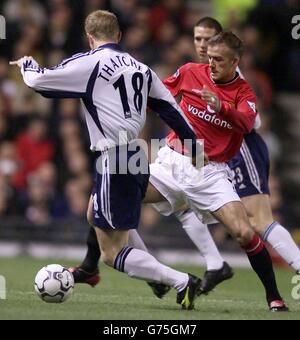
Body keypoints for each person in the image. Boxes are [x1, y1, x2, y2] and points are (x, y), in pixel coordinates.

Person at [70, 27, 288, 310]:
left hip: (209, 170)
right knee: (98, 205)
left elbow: (247, 124)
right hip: (171, 161)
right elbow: (156, 97)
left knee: (245, 233)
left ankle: (274, 296)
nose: (212, 64)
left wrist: (221, 106)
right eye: (210, 57)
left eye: (220, 60)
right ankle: (99, 267)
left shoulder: (243, 92)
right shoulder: (189, 72)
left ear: (235, 62)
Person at [10, 10, 204, 310]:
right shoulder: (141, 68)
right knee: (94, 213)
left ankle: (179, 281)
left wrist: (27, 65)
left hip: (114, 157)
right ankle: (97, 270)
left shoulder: (89, 62)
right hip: (136, 153)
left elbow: (41, 84)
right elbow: (171, 110)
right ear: (119, 36)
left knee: (112, 253)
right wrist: (198, 153)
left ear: (90, 38)